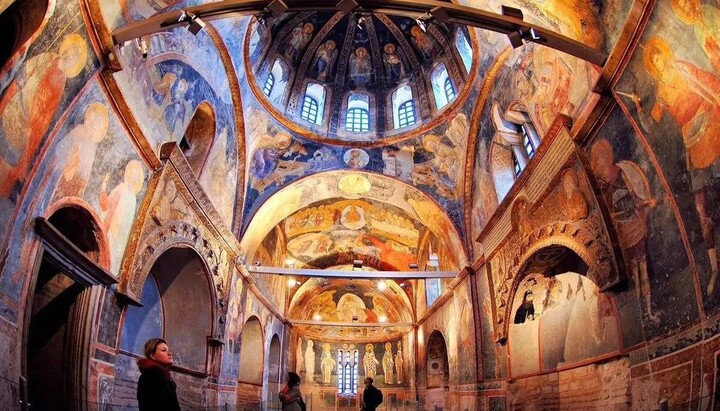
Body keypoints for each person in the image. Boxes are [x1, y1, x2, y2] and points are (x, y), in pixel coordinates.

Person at [136, 338, 181, 411]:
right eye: (163, 350)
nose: (170, 353)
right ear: (153, 355)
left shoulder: (164, 377)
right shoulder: (151, 377)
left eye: (169, 350)